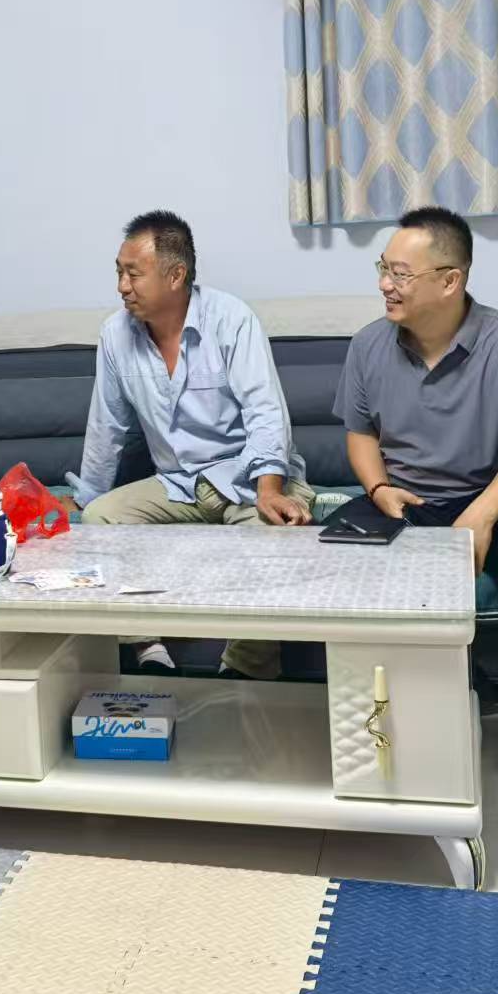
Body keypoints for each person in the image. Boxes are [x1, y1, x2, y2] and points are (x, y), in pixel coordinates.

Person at [328, 207, 498, 777]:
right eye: (383, 268)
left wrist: (482, 515)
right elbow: (360, 435)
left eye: (400, 273)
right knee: (340, 542)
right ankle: (432, 687)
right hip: (406, 498)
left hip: (496, 497)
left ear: (450, 280)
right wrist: (379, 487)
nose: (385, 285)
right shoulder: (368, 345)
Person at [71, 211, 313, 682]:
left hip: (246, 479)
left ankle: (244, 670)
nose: (122, 286)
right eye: (119, 272)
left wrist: (269, 488)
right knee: (100, 518)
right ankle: (147, 648)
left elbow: (265, 412)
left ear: (175, 275)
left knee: (276, 531)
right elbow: (107, 428)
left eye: (133, 274)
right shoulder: (115, 335)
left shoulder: (231, 319)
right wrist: (85, 504)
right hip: (177, 484)